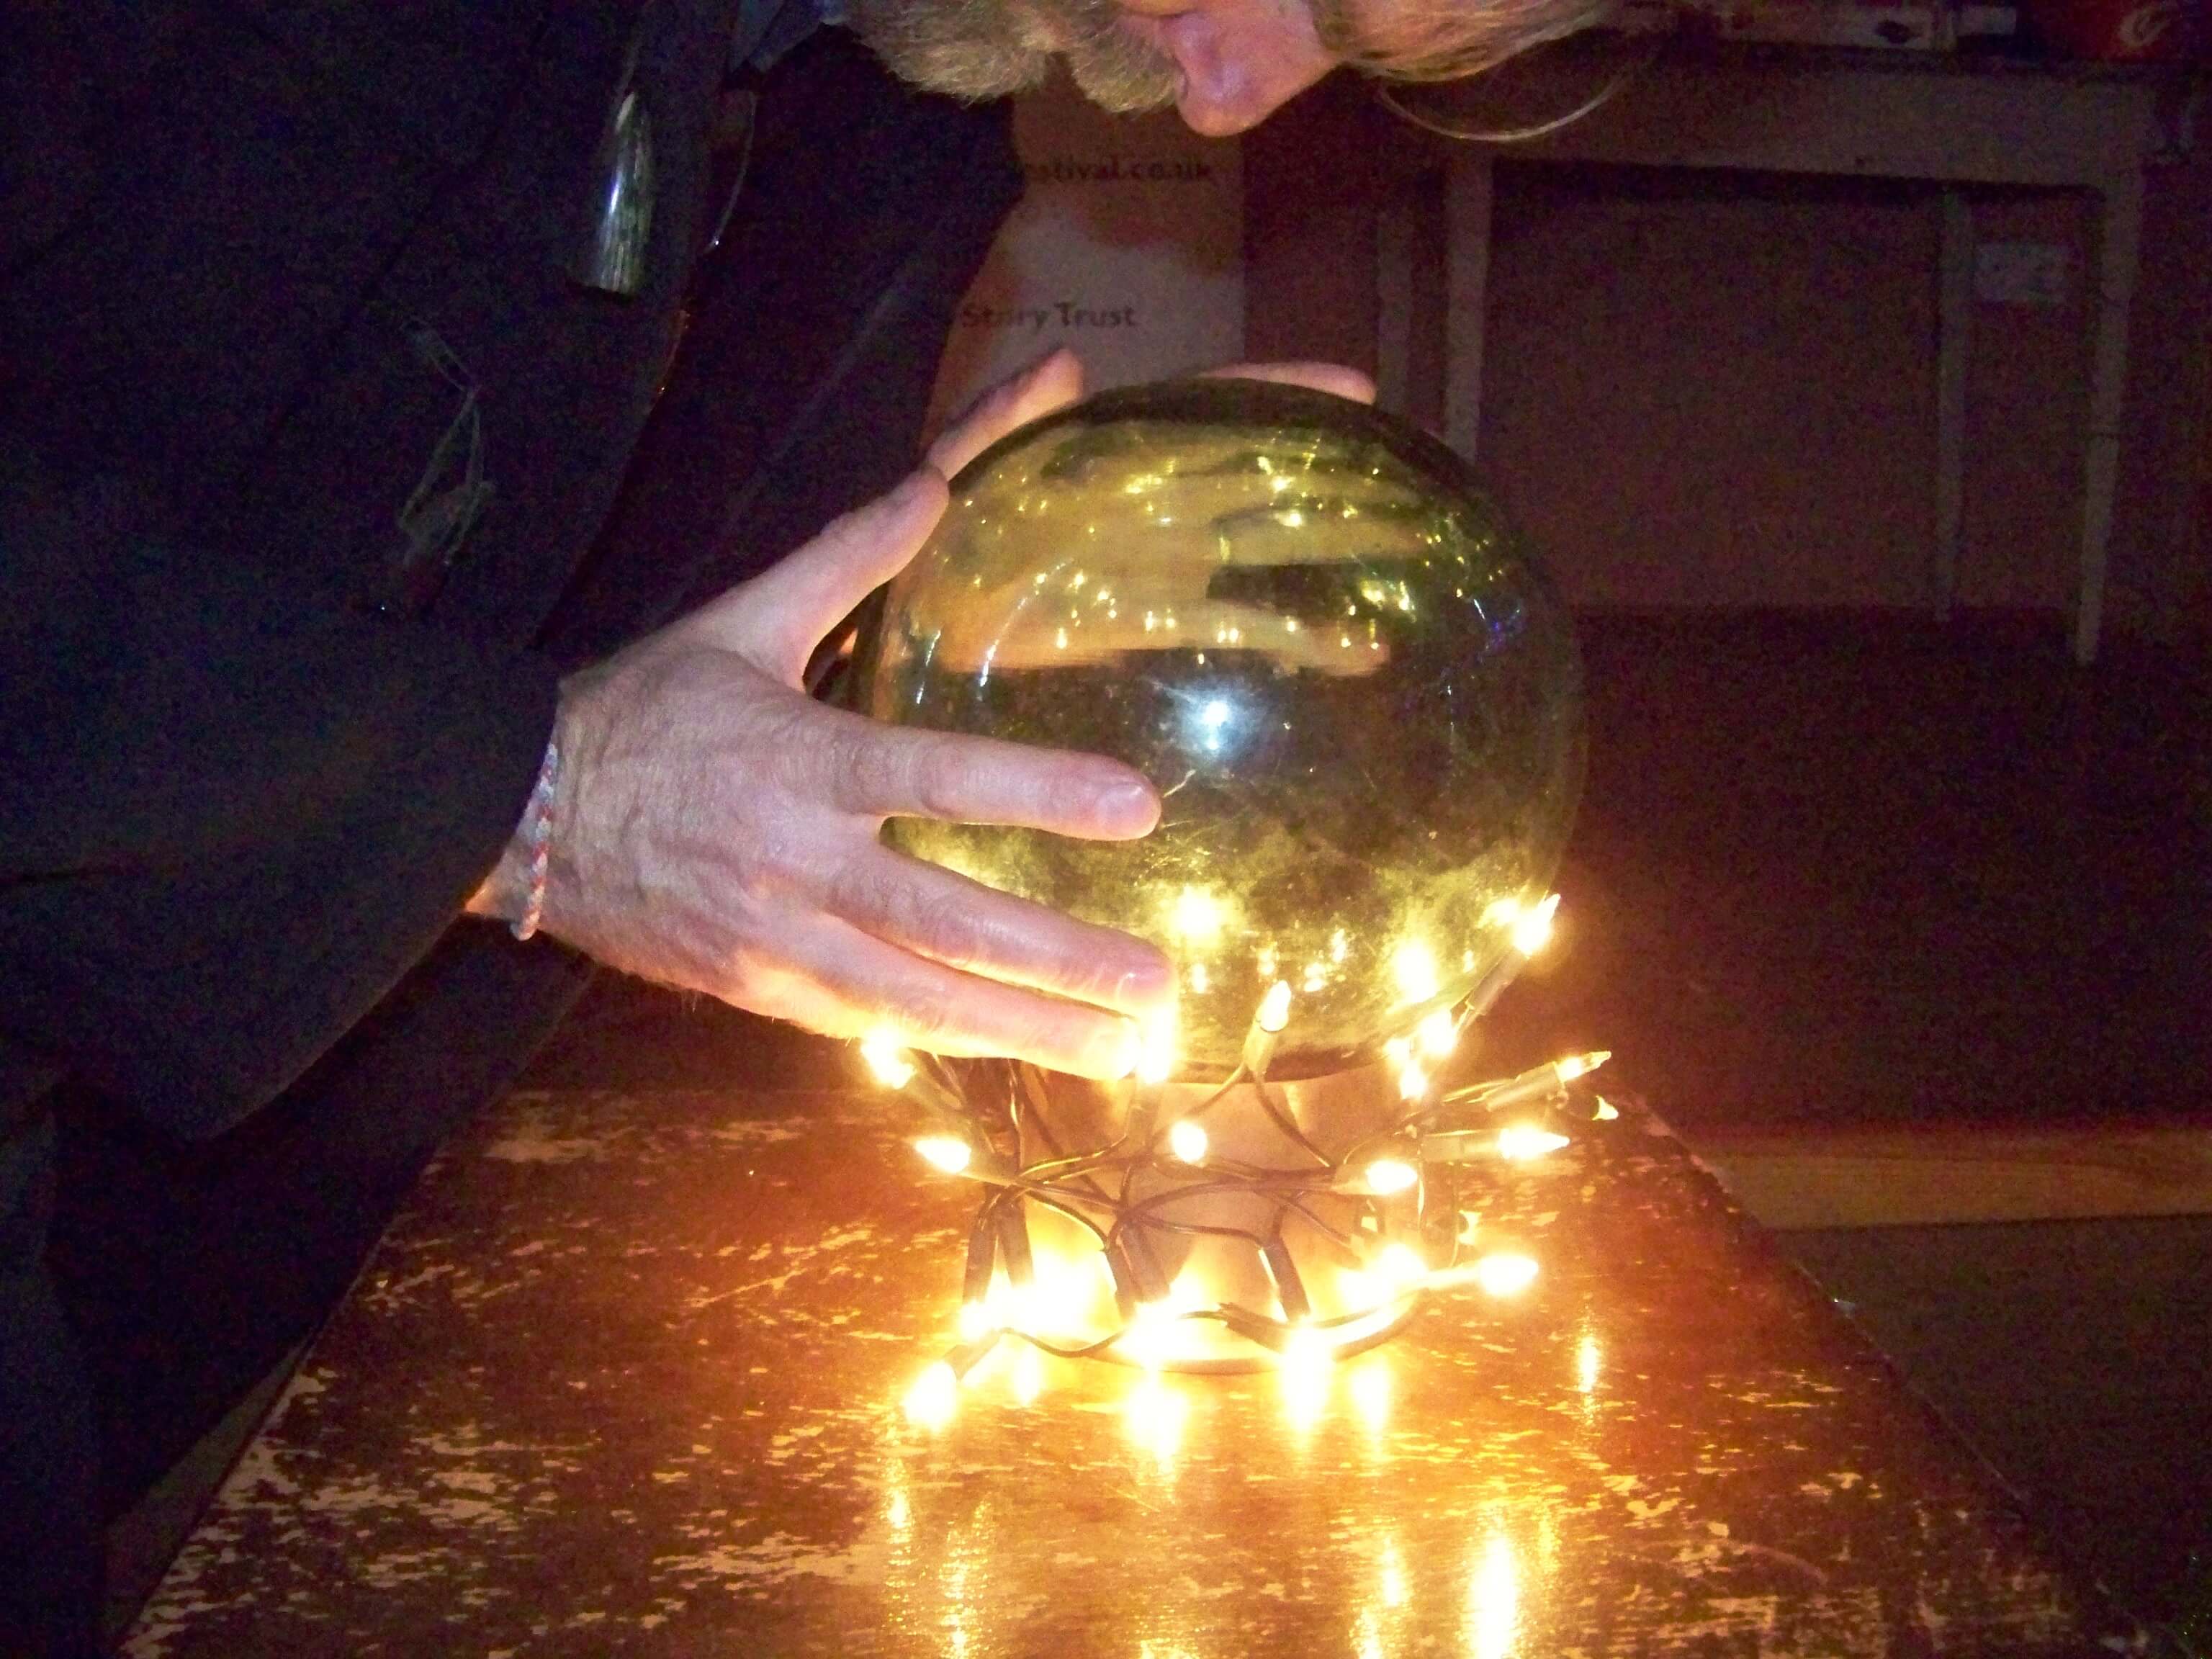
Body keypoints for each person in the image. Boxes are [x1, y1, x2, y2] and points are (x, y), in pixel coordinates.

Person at [0, 0, 1604, 1649]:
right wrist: (544, 795)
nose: (1220, 101)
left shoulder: (883, 103)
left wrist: (951, 616)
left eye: (1353, 56)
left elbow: (535, 566)